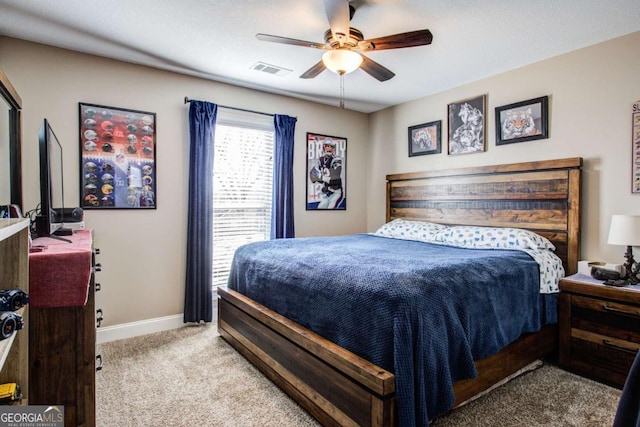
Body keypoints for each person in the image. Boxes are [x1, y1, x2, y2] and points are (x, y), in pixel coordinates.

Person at [309, 138, 343, 209]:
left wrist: (320, 177)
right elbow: (321, 180)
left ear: (333, 148)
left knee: (331, 209)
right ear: (324, 147)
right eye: (327, 146)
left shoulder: (336, 160)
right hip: (327, 193)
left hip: (336, 192)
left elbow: (335, 178)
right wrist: (315, 177)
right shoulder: (321, 160)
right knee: (320, 208)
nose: (329, 148)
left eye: (331, 146)